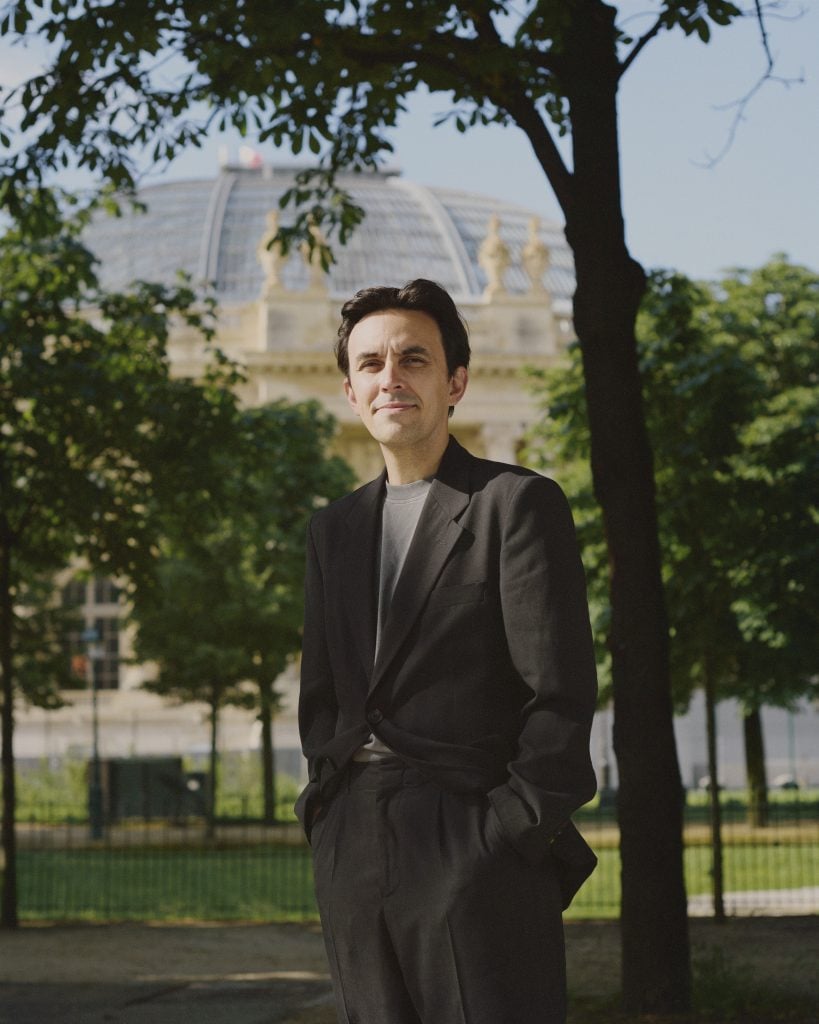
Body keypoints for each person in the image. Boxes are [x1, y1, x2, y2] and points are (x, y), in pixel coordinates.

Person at [295, 278, 598, 1024]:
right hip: (354, 838)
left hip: (470, 831)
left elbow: (557, 693)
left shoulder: (515, 504)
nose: (388, 379)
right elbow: (322, 693)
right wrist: (326, 814)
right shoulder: (332, 529)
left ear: (455, 380)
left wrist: (504, 834)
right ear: (349, 389)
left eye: (412, 359)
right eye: (369, 364)